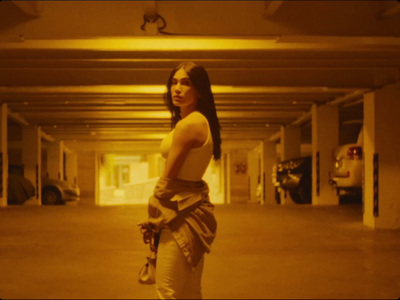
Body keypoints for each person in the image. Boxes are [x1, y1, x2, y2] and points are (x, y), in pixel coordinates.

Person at [138, 61, 221, 299]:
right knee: (191, 292)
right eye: (174, 82)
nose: (177, 89)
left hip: (180, 214)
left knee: (167, 290)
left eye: (186, 83)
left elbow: (166, 182)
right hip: (191, 209)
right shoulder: (200, 122)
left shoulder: (189, 125)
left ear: (199, 90)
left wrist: (154, 218)